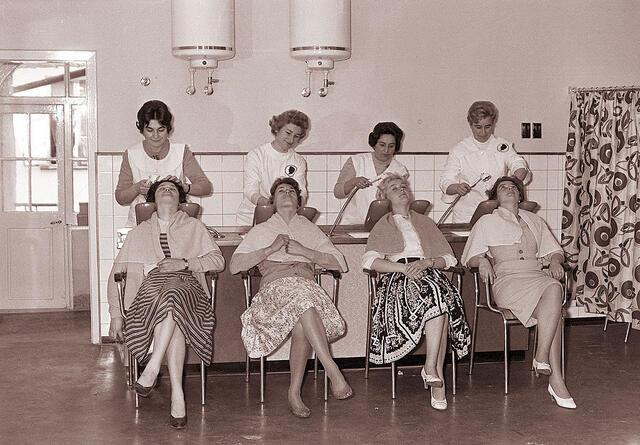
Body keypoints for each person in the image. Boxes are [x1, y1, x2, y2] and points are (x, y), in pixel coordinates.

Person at [107, 179, 225, 428]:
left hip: (189, 292)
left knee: (174, 295)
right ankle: (177, 396)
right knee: (172, 306)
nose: (168, 190)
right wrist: (116, 314)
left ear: (182, 200)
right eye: (162, 188)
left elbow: (217, 261)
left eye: (173, 188)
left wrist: (185, 263)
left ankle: (152, 368)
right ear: (151, 201)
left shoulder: (195, 227)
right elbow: (115, 273)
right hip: (148, 297)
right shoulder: (138, 233)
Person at [230, 177, 352, 418]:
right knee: (304, 301)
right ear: (273, 202)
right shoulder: (262, 229)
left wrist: (304, 251)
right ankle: (332, 369)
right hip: (274, 292)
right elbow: (235, 265)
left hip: (305, 290)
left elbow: (341, 263)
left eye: (291, 191)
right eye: (281, 191)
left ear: (299, 201)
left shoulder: (309, 228)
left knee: (302, 318)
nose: (286, 194)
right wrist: (269, 249)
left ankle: (294, 393)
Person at [462, 176, 576, 409]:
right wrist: (482, 262)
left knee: (554, 293)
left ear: (520, 195)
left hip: (535, 275)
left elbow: (555, 251)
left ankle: (550, 371)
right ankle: (549, 369)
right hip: (507, 280)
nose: (509, 189)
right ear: (495, 198)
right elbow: (469, 258)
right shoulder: (486, 221)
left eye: (513, 187)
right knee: (554, 302)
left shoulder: (535, 220)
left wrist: (555, 261)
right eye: (503, 188)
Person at [362, 174, 470, 410]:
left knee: (438, 295)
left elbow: (449, 258)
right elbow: (370, 262)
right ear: (384, 197)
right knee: (439, 298)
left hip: (428, 272)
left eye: (403, 186)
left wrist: (428, 263)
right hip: (397, 278)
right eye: (393, 187)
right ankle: (434, 375)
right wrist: (403, 269)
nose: (401, 189)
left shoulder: (426, 222)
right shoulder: (383, 224)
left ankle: (432, 369)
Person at [115, 100, 212, 226]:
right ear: (141, 129)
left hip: (177, 224)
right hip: (140, 224)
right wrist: (137, 188)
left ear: (168, 129)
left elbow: (205, 187)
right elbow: (120, 198)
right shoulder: (132, 154)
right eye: (150, 130)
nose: (155, 136)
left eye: (161, 130)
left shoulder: (181, 152)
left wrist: (185, 188)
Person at [439, 101, 530, 223]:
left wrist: (514, 180)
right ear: (470, 125)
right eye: (478, 127)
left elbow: (518, 164)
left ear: (493, 124)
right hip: (467, 215)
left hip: (498, 213)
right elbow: (445, 181)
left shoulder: (502, 146)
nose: (483, 132)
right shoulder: (459, 150)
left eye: (488, 127)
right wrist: (457, 188)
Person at [236, 110, 310, 225]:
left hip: (283, 218)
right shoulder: (257, 155)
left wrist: (295, 206)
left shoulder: (299, 161)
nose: (291, 140)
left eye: (296, 136)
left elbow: (301, 192)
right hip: (251, 218)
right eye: (288, 133)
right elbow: (251, 189)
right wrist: (269, 205)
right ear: (277, 129)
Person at [333, 122, 409, 225]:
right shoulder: (357, 161)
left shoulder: (400, 170)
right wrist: (353, 182)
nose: (386, 150)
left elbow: (400, 203)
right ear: (374, 144)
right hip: (353, 225)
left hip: (386, 226)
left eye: (391, 146)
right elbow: (338, 193)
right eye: (382, 145)